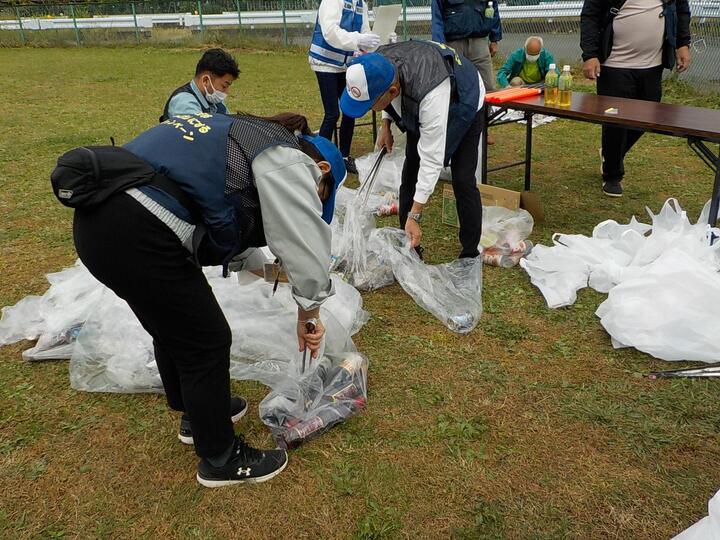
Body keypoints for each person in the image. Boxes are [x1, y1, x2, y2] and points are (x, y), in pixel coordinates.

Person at [72, 112, 346, 487]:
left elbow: (230, 230)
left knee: (172, 326)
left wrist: (274, 273)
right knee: (207, 340)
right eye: (322, 197)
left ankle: (197, 415)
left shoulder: (242, 136)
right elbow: (305, 243)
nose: (315, 204)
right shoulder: (288, 160)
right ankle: (221, 458)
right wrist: (309, 313)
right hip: (137, 231)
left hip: (98, 225)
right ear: (321, 169)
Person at [339, 42, 486, 260]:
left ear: (392, 91)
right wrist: (386, 125)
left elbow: (432, 160)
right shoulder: (377, 63)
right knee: (409, 173)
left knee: (463, 179)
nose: (369, 109)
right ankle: (407, 244)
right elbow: (385, 100)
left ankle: (470, 253)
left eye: (369, 105)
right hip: (419, 102)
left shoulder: (430, 93)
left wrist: (415, 214)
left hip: (465, 100)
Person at [581, 0, 691, 197]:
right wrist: (590, 55)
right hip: (614, 63)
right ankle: (612, 175)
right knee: (615, 120)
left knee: (649, 118)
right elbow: (590, 15)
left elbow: (681, 9)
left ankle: (611, 154)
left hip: (652, 63)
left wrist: (683, 43)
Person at [308, 0, 378, 174]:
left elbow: (365, 32)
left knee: (349, 110)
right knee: (332, 113)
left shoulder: (361, 3)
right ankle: (319, 158)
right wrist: (358, 39)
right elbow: (330, 32)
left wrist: (376, 40)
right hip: (324, 62)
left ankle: (344, 156)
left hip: (345, 64)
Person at [159, 48, 240, 122]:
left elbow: (230, 125)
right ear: (206, 80)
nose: (226, 92)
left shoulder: (214, 100)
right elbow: (200, 136)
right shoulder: (184, 104)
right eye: (224, 86)